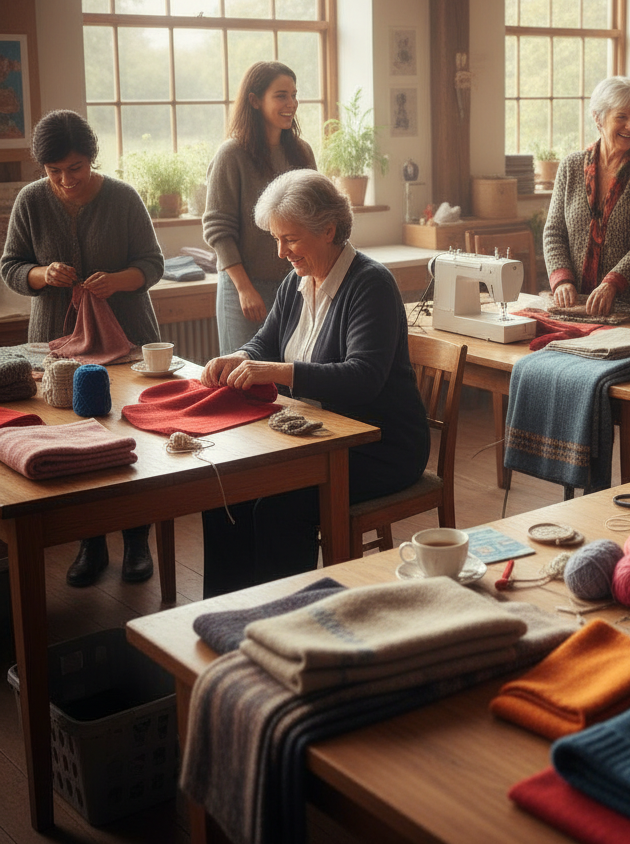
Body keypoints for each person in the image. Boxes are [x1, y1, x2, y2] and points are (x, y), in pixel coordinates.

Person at [199, 169, 430, 597]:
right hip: (317, 436)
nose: (281, 251)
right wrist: (241, 357)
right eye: (276, 238)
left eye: (290, 239)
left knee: (279, 504)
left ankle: (286, 617)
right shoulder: (297, 281)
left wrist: (280, 372)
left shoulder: (371, 284)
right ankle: (226, 614)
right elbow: (265, 341)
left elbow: (363, 379)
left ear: (328, 230)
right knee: (224, 490)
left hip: (379, 445)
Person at [0, 110, 164, 586]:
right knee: (74, 440)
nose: (67, 180)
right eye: (55, 172)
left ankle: (137, 539)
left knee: (131, 435)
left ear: (92, 158)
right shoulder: (31, 201)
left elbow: (152, 265)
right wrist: (41, 274)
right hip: (58, 343)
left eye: (76, 168)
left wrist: (117, 281)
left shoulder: (123, 197)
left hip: (127, 342)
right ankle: (90, 542)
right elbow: (11, 266)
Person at [203, 60, 316, 355]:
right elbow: (218, 230)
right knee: (243, 377)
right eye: (281, 95)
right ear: (254, 100)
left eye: (294, 94)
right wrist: (244, 289)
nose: (291, 103)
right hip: (245, 288)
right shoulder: (232, 154)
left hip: (297, 285)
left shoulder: (302, 152)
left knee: (288, 378)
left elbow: (316, 216)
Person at [543, 76, 630, 318]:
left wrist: (612, 283)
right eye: (622, 117)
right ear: (598, 118)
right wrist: (562, 280)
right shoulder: (571, 167)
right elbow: (554, 232)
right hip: (577, 305)